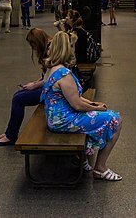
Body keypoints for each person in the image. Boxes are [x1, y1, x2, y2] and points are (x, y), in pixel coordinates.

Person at [41, 31, 123, 181]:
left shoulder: (51, 68)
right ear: (66, 49)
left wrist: (92, 103)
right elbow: (77, 104)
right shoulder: (64, 74)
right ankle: (100, 168)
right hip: (64, 120)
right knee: (115, 120)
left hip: (55, 118)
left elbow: (74, 98)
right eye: (71, 46)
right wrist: (97, 108)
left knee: (101, 116)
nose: (74, 49)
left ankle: (83, 155)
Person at [0, 28, 53, 146]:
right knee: (18, 95)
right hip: (51, 87)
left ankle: (10, 136)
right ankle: (9, 133)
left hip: (53, 92)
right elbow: (48, 75)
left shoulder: (50, 50)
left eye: (32, 44)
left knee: (18, 99)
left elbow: (52, 78)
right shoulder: (49, 46)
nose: (33, 48)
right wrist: (35, 83)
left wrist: (34, 85)